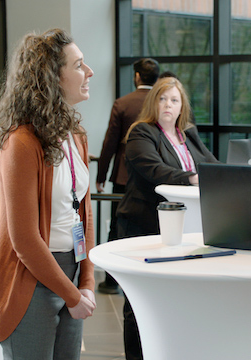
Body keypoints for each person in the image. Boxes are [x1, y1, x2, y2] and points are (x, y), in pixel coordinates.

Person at [0, 28, 97, 360]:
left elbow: (83, 216)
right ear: (51, 77)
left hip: (72, 274)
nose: (89, 72)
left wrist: (86, 280)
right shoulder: (21, 142)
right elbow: (24, 239)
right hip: (31, 279)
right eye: (78, 65)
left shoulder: (75, 134)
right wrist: (73, 295)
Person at [116, 76, 218, 360]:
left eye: (174, 99)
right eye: (162, 98)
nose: (168, 105)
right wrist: (193, 177)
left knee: (171, 302)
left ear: (182, 104)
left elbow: (213, 166)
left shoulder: (188, 134)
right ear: (153, 102)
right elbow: (156, 170)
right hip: (143, 227)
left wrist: (230, 178)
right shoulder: (141, 133)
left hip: (182, 232)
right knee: (139, 304)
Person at [95, 58, 159, 294]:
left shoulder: (123, 103)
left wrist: (101, 174)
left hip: (124, 176)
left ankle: (113, 281)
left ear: (137, 76)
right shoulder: (162, 103)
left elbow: (110, 142)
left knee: (119, 226)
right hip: (156, 177)